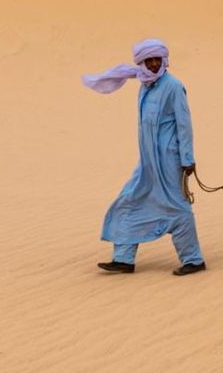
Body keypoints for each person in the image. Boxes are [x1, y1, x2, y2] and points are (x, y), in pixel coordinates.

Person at [82, 38, 206, 276]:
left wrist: (187, 159)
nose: (152, 64)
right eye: (148, 60)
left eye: (156, 60)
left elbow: (184, 125)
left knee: (177, 207)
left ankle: (193, 259)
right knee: (129, 199)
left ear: (163, 60)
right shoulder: (145, 85)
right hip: (148, 161)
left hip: (169, 160)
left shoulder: (173, 86)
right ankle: (123, 259)